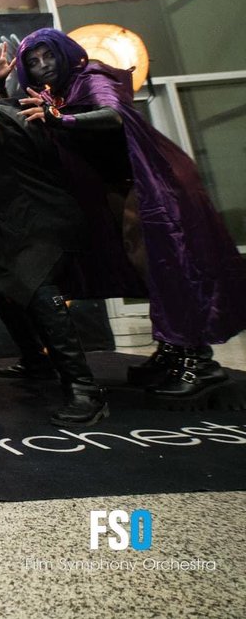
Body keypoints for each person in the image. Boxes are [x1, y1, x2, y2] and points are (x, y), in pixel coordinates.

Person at [13, 28, 246, 406]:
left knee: (168, 267)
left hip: (153, 182)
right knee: (148, 267)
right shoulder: (58, 95)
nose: (42, 67)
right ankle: (174, 350)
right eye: (33, 63)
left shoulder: (91, 77)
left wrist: (62, 120)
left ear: (64, 52)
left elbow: (114, 114)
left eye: (47, 56)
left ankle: (198, 361)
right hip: (130, 185)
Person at [0, 59, 106, 425]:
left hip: (42, 221)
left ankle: (84, 388)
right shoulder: (2, 106)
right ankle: (36, 360)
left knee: (39, 291)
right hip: (16, 225)